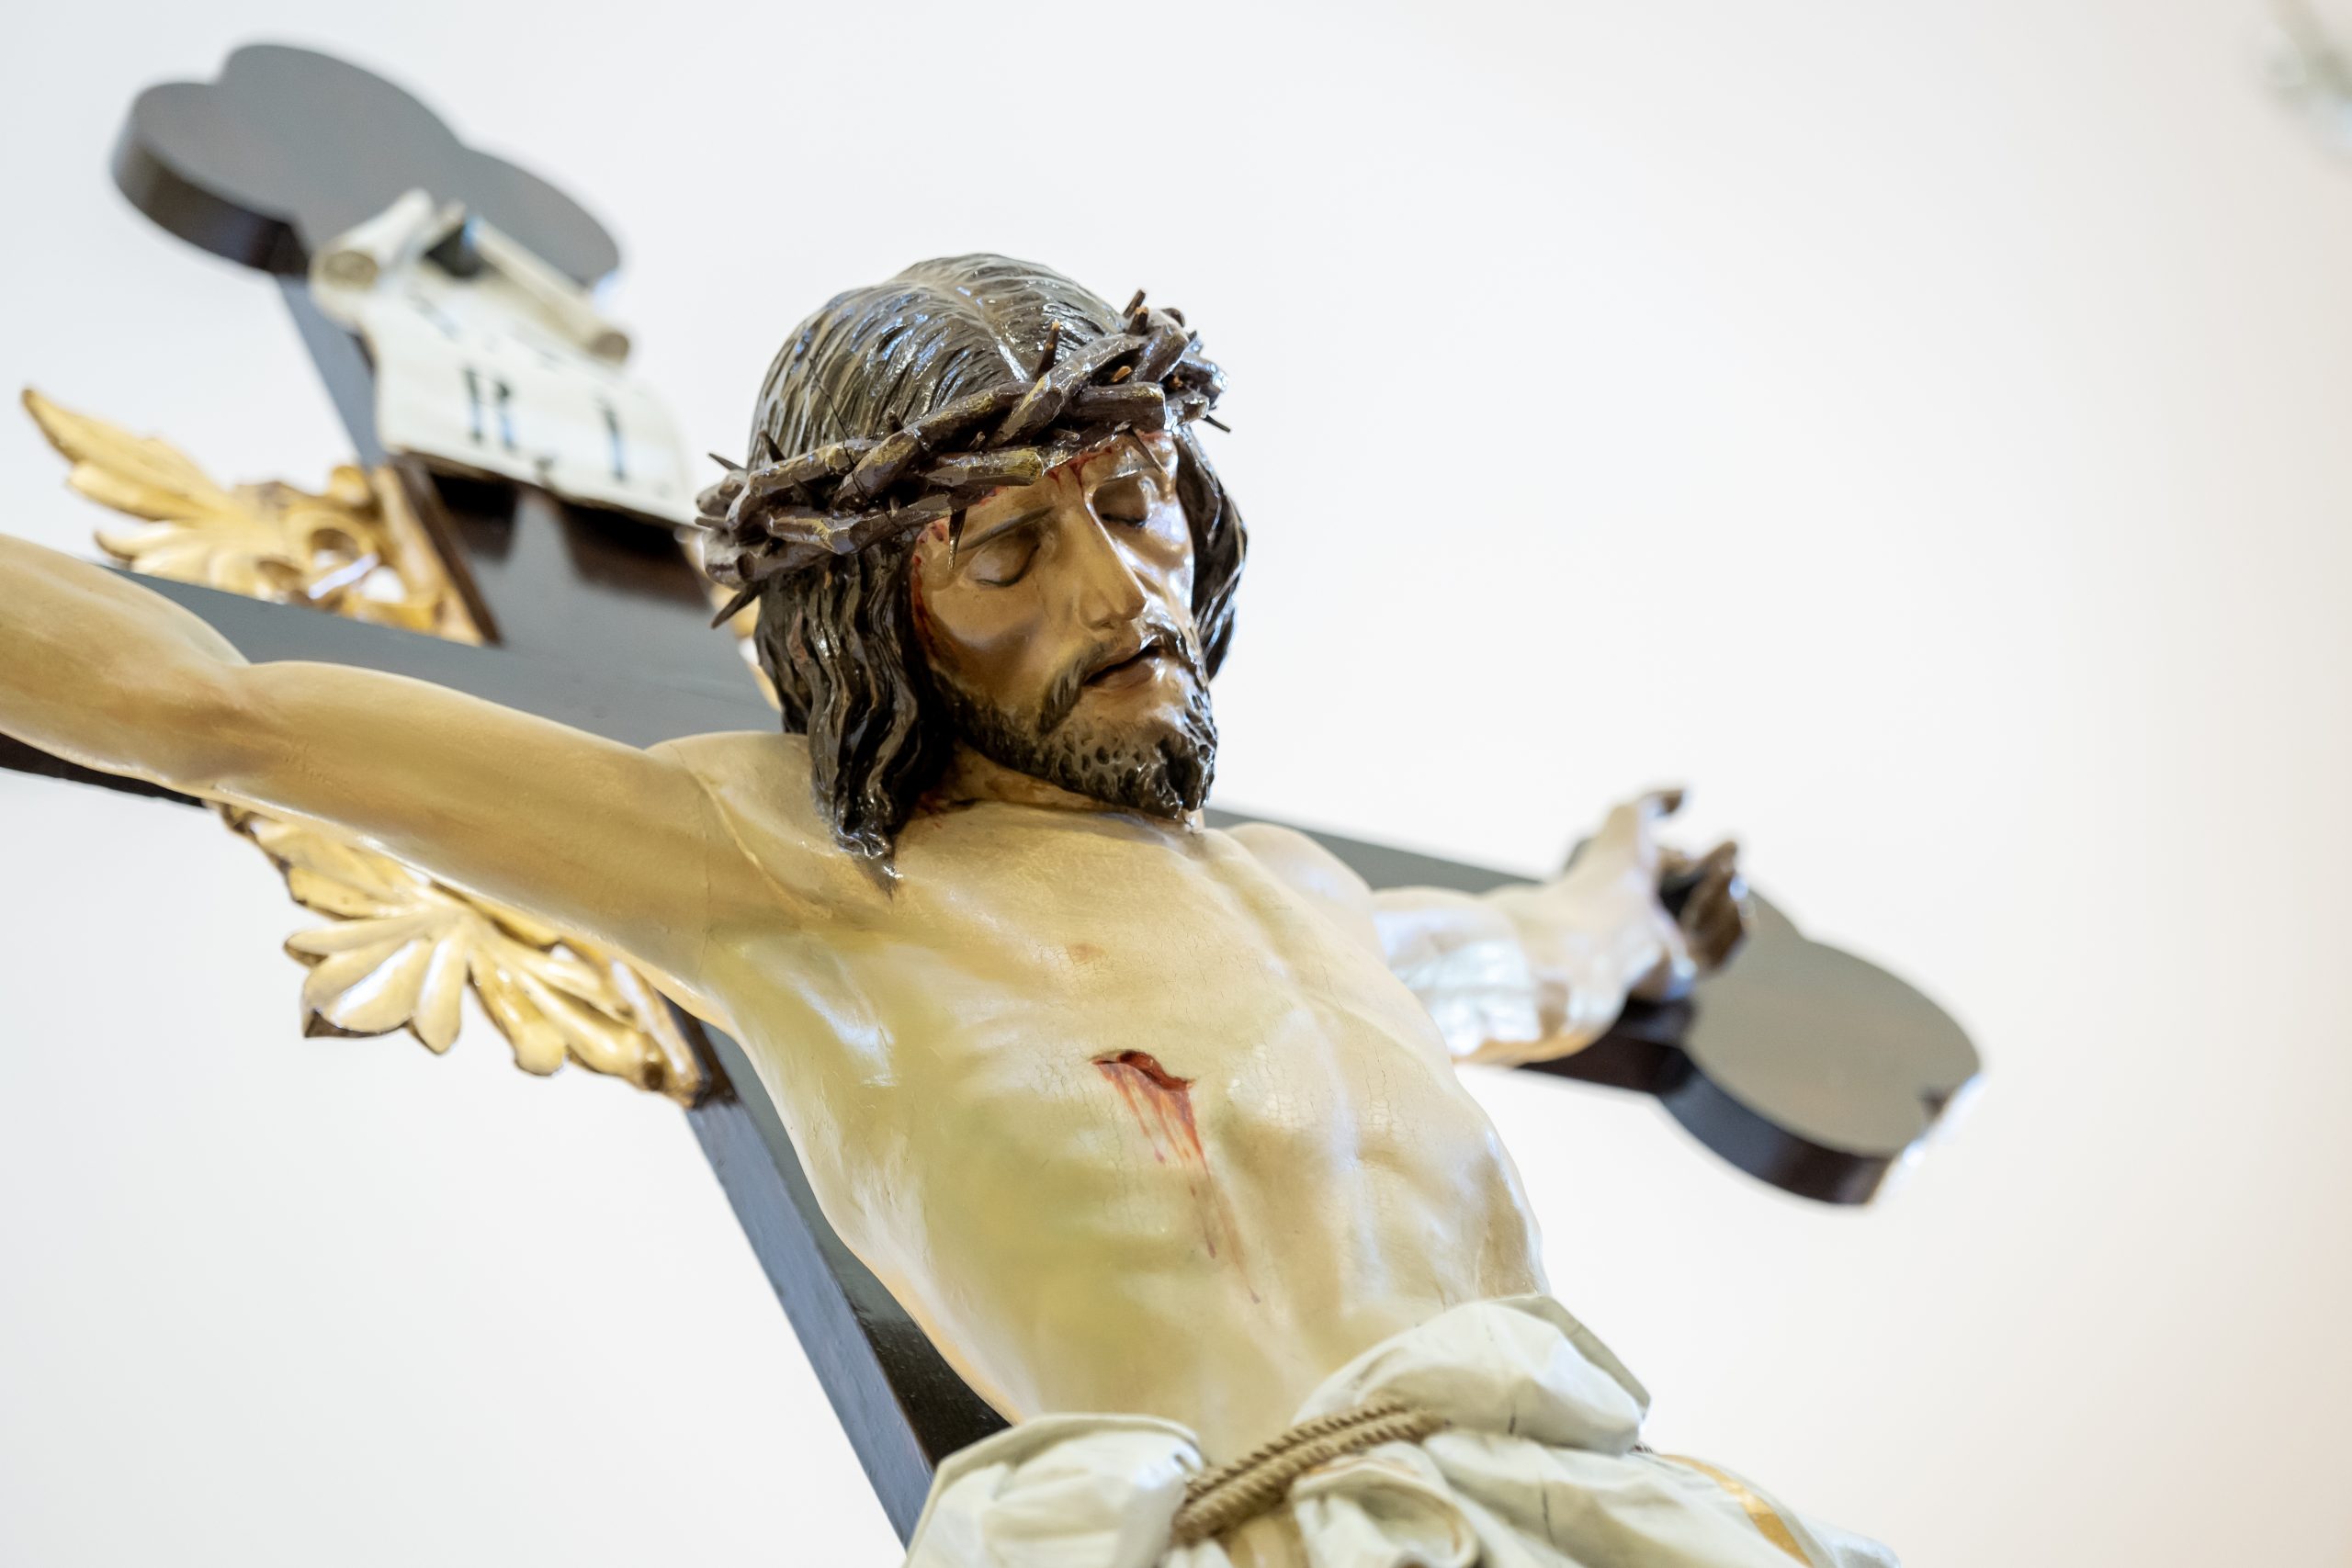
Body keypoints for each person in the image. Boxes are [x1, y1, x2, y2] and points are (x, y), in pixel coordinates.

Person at [0, 254, 1891, 1566]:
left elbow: (1545, 956)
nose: (1119, 590)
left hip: (1624, 1525)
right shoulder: (785, 870)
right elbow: (206, 705)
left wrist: (1622, 887)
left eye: (1134, 503)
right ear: (872, 616)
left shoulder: (1320, 905)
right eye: (1007, 551)